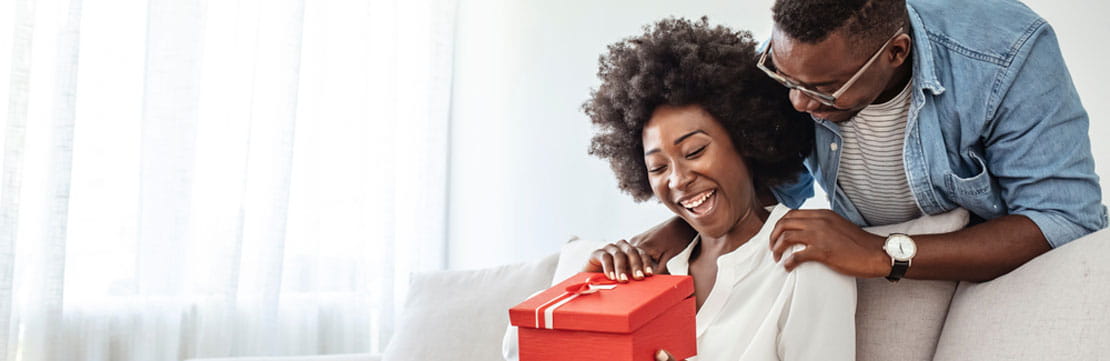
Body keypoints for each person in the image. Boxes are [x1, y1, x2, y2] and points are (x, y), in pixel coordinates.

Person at [628, 0, 1106, 283]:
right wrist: (689, 225)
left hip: (1008, 272)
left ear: (895, 52)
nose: (795, 102)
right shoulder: (794, 59)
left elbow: (1064, 218)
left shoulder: (1006, 54)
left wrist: (883, 253)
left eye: (821, 90)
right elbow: (770, 184)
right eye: (784, 75)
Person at [502, 18, 855, 361]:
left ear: (747, 140)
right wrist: (583, 284)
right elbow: (517, 349)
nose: (677, 180)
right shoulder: (652, 264)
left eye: (695, 152)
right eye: (657, 167)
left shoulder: (806, 260)